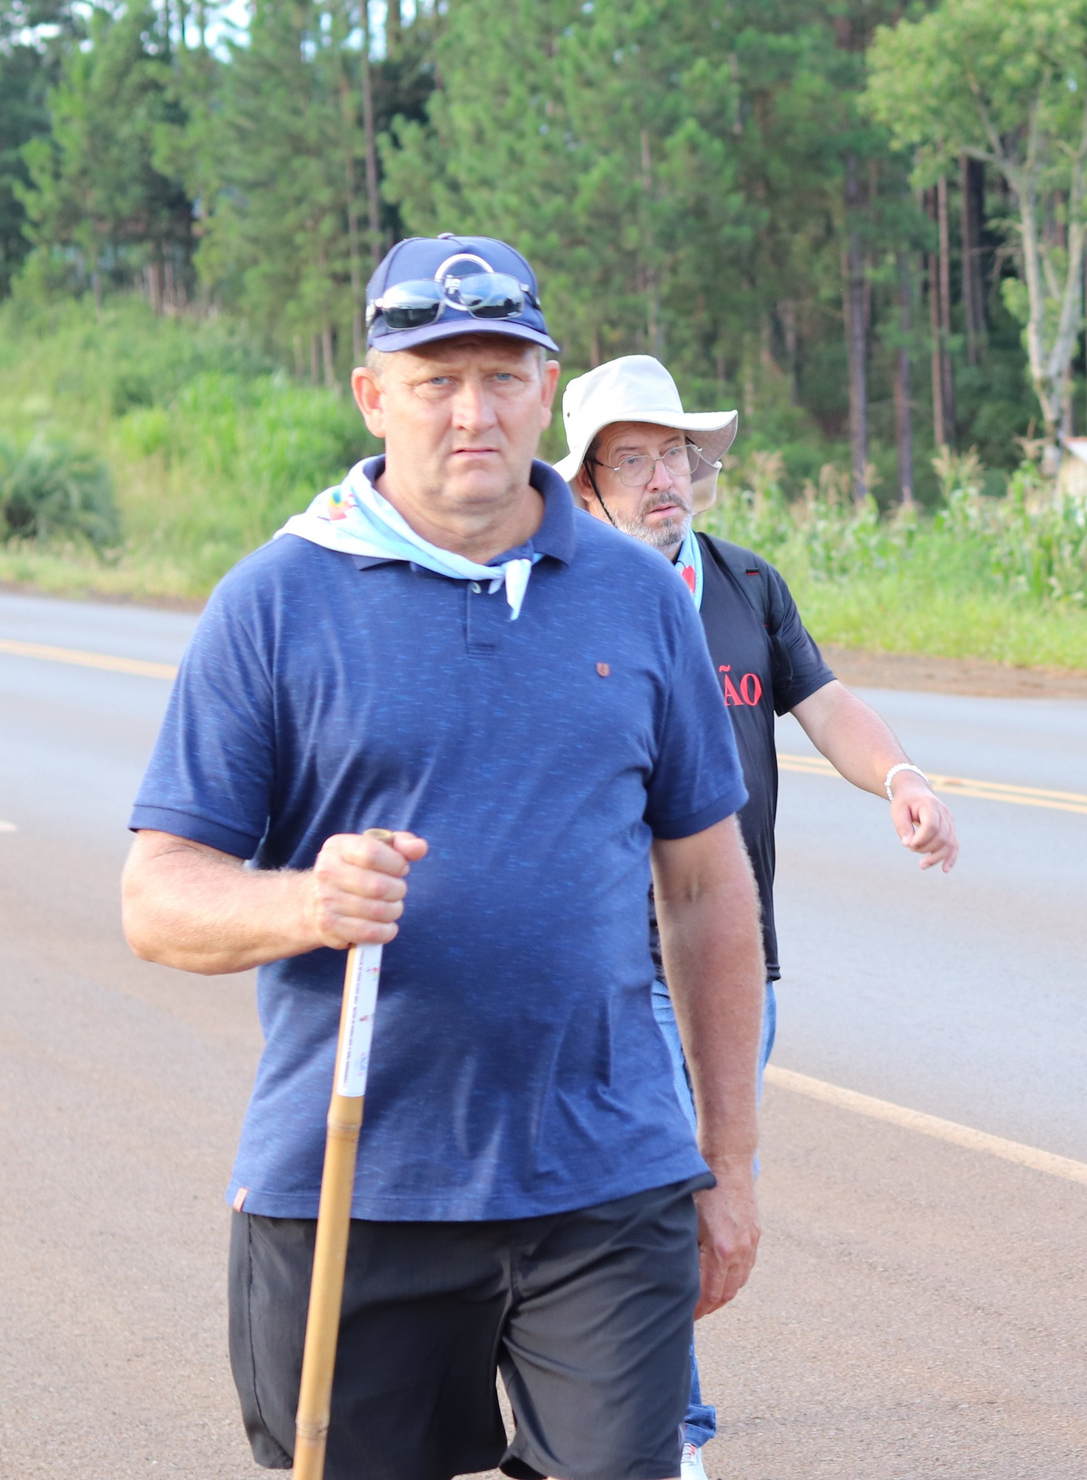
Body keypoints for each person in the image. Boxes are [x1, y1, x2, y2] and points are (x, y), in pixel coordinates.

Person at [121, 234, 767, 1480]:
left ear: (545, 388)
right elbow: (159, 900)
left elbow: (704, 888)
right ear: (374, 394)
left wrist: (726, 1165)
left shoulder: (638, 597)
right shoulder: (276, 601)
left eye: (501, 375)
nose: (472, 411)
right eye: (434, 379)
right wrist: (306, 901)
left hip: (606, 1172)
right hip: (356, 1184)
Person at [559, 352, 958, 1478]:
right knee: (650, 1191)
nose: (659, 477)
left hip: (734, 961)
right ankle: (669, 1435)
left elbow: (824, 706)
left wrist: (900, 780)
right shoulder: (566, 594)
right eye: (628, 459)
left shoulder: (744, 587)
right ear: (585, 485)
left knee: (686, 1193)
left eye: (674, 454)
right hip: (607, 960)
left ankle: (630, 1410)